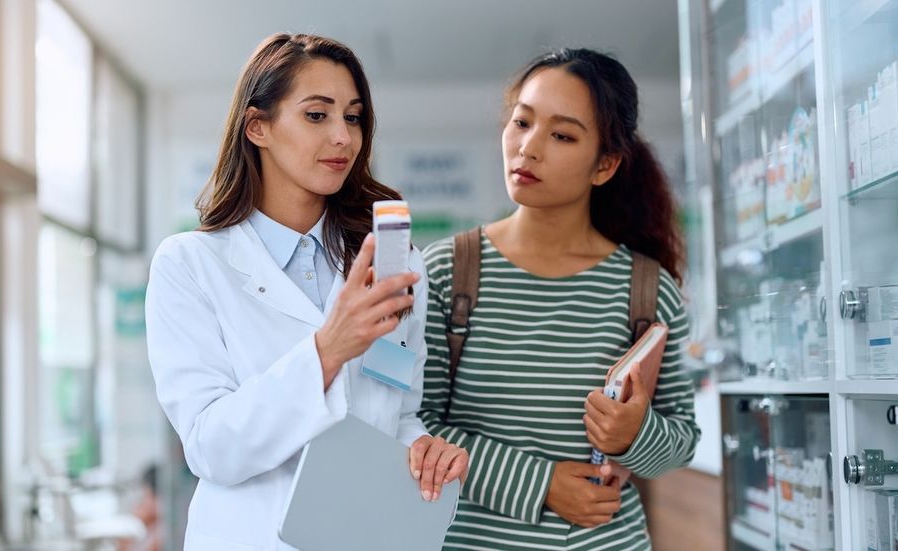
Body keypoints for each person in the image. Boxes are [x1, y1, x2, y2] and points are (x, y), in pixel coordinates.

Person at [145, 33, 467, 551]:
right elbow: (210, 446)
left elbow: (398, 411)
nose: (344, 136)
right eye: (317, 115)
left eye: (354, 117)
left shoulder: (395, 265)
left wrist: (425, 449)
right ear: (258, 127)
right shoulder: (190, 265)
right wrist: (327, 351)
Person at [419, 48, 700, 550]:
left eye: (562, 135)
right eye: (521, 122)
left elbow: (680, 445)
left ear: (605, 165)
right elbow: (414, 428)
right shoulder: (447, 271)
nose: (528, 147)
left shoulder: (647, 287)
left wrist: (634, 434)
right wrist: (541, 486)